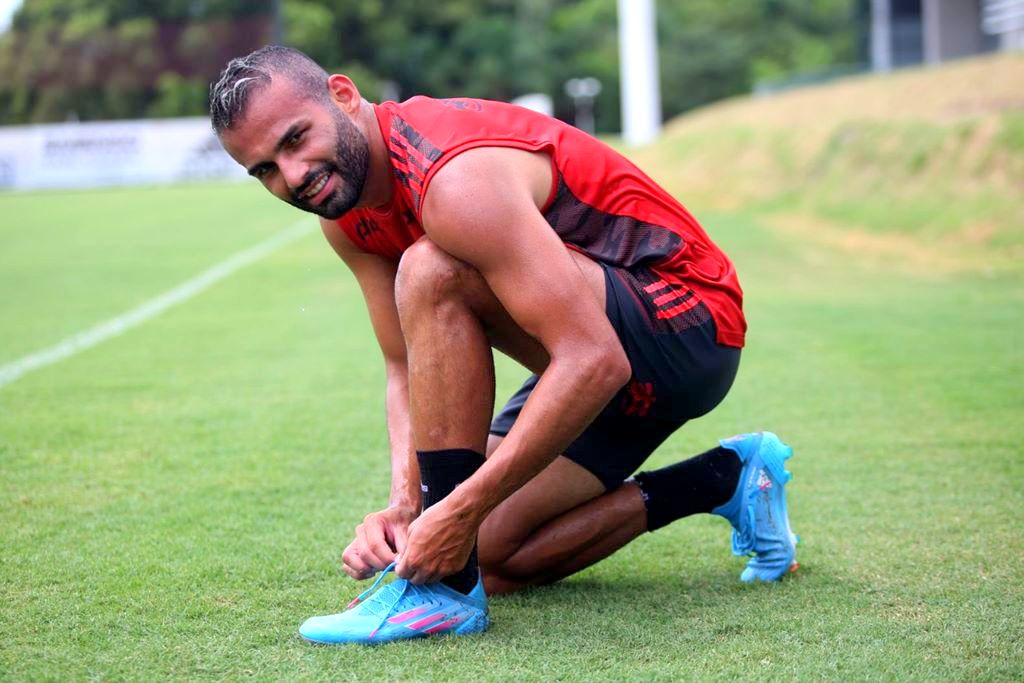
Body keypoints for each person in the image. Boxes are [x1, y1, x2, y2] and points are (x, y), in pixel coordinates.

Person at [210, 46, 798, 645]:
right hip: (591, 353)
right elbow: (401, 363)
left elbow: (594, 360)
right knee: (483, 556)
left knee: (431, 268)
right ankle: (728, 478)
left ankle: (441, 593)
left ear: (343, 95)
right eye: (263, 170)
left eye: (295, 140)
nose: (292, 176)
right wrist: (405, 507)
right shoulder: (344, 214)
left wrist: (457, 511)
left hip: (687, 327)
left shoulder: (452, 175)